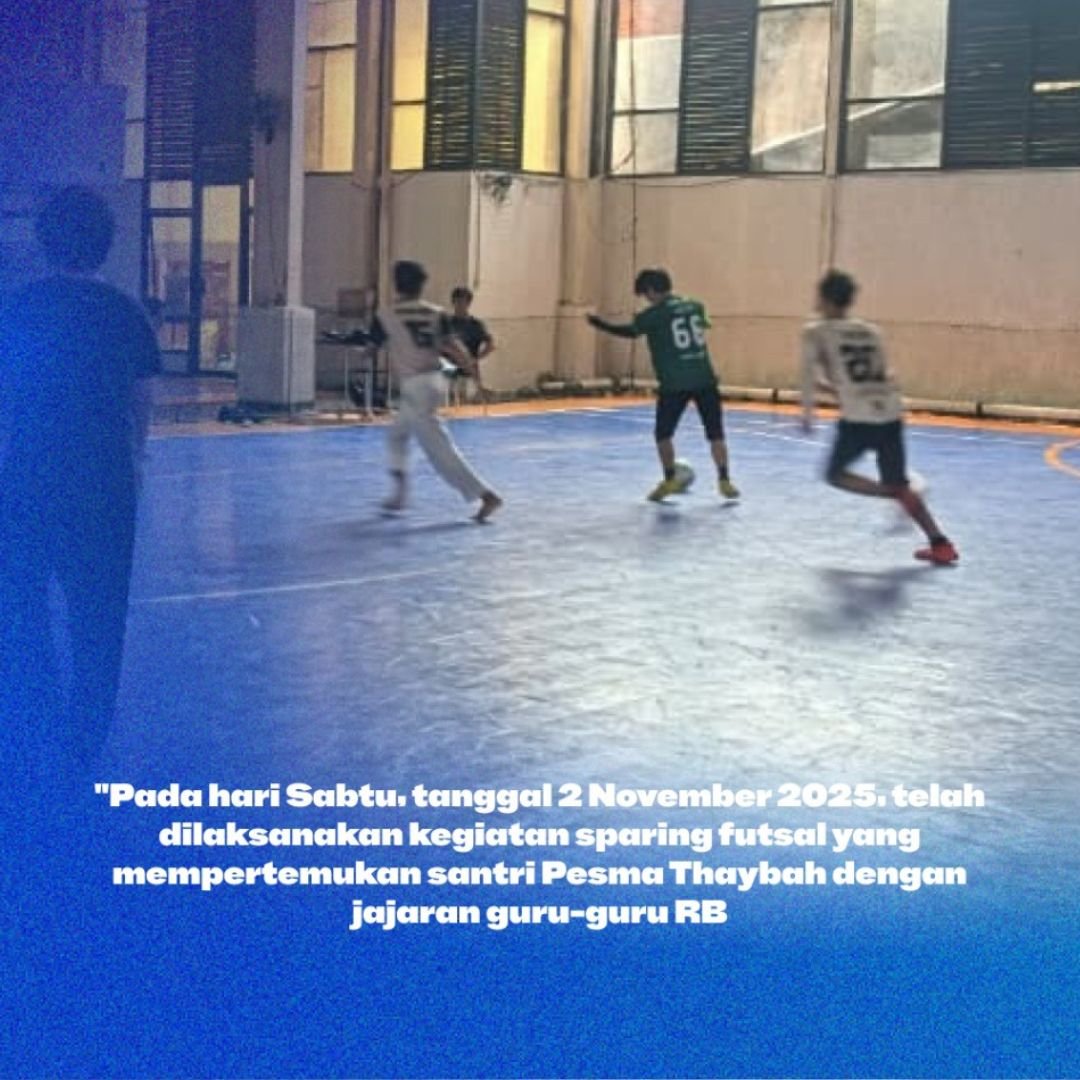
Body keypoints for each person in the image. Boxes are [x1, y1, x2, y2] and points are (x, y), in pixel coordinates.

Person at [0, 185, 161, 769]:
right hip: (102, 484)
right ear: (106, 244)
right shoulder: (126, 315)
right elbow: (140, 409)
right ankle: (86, 735)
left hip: (28, 479)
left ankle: (36, 720)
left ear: (43, 241)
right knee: (99, 614)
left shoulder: (18, 310)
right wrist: (134, 467)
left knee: (23, 608)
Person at [800, 269, 959, 565]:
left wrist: (807, 413)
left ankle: (896, 494)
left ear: (824, 298)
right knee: (900, 484)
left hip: (858, 420)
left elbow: (808, 374)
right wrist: (839, 390)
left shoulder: (816, 331)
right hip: (890, 414)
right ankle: (940, 543)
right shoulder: (871, 331)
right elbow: (881, 377)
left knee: (835, 475)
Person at [586, 268, 739, 502]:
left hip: (674, 384)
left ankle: (669, 479)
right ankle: (724, 480)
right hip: (704, 380)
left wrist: (601, 325)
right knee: (716, 433)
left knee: (663, 434)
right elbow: (703, 325)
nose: (646, 299)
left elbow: (631, 332)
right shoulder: (695, 306)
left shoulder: (653, 315)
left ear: (651, 290)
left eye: (645, 294)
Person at [367, 261, 502, 522]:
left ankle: (486, 495)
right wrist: (477, 381)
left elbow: (371, 347)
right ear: (421, 286)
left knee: (439, 451)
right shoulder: (436, 313)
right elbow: (456, 350)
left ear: (396, 285)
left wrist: (366, 349)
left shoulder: (386, 314)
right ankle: (400, 494)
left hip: (415, 387)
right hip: (434, 381)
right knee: (397, 436)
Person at [445, 286, 494, 405]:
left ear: (468, 303)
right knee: (449, 403)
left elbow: (490, 345)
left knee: (465, 402)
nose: (460, 305)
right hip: (450, 371)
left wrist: (476, 358)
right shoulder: (447, 323)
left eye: (463, 302)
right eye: (457, 302)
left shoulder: (475, 325)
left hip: (468, 372)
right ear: (453, 302)